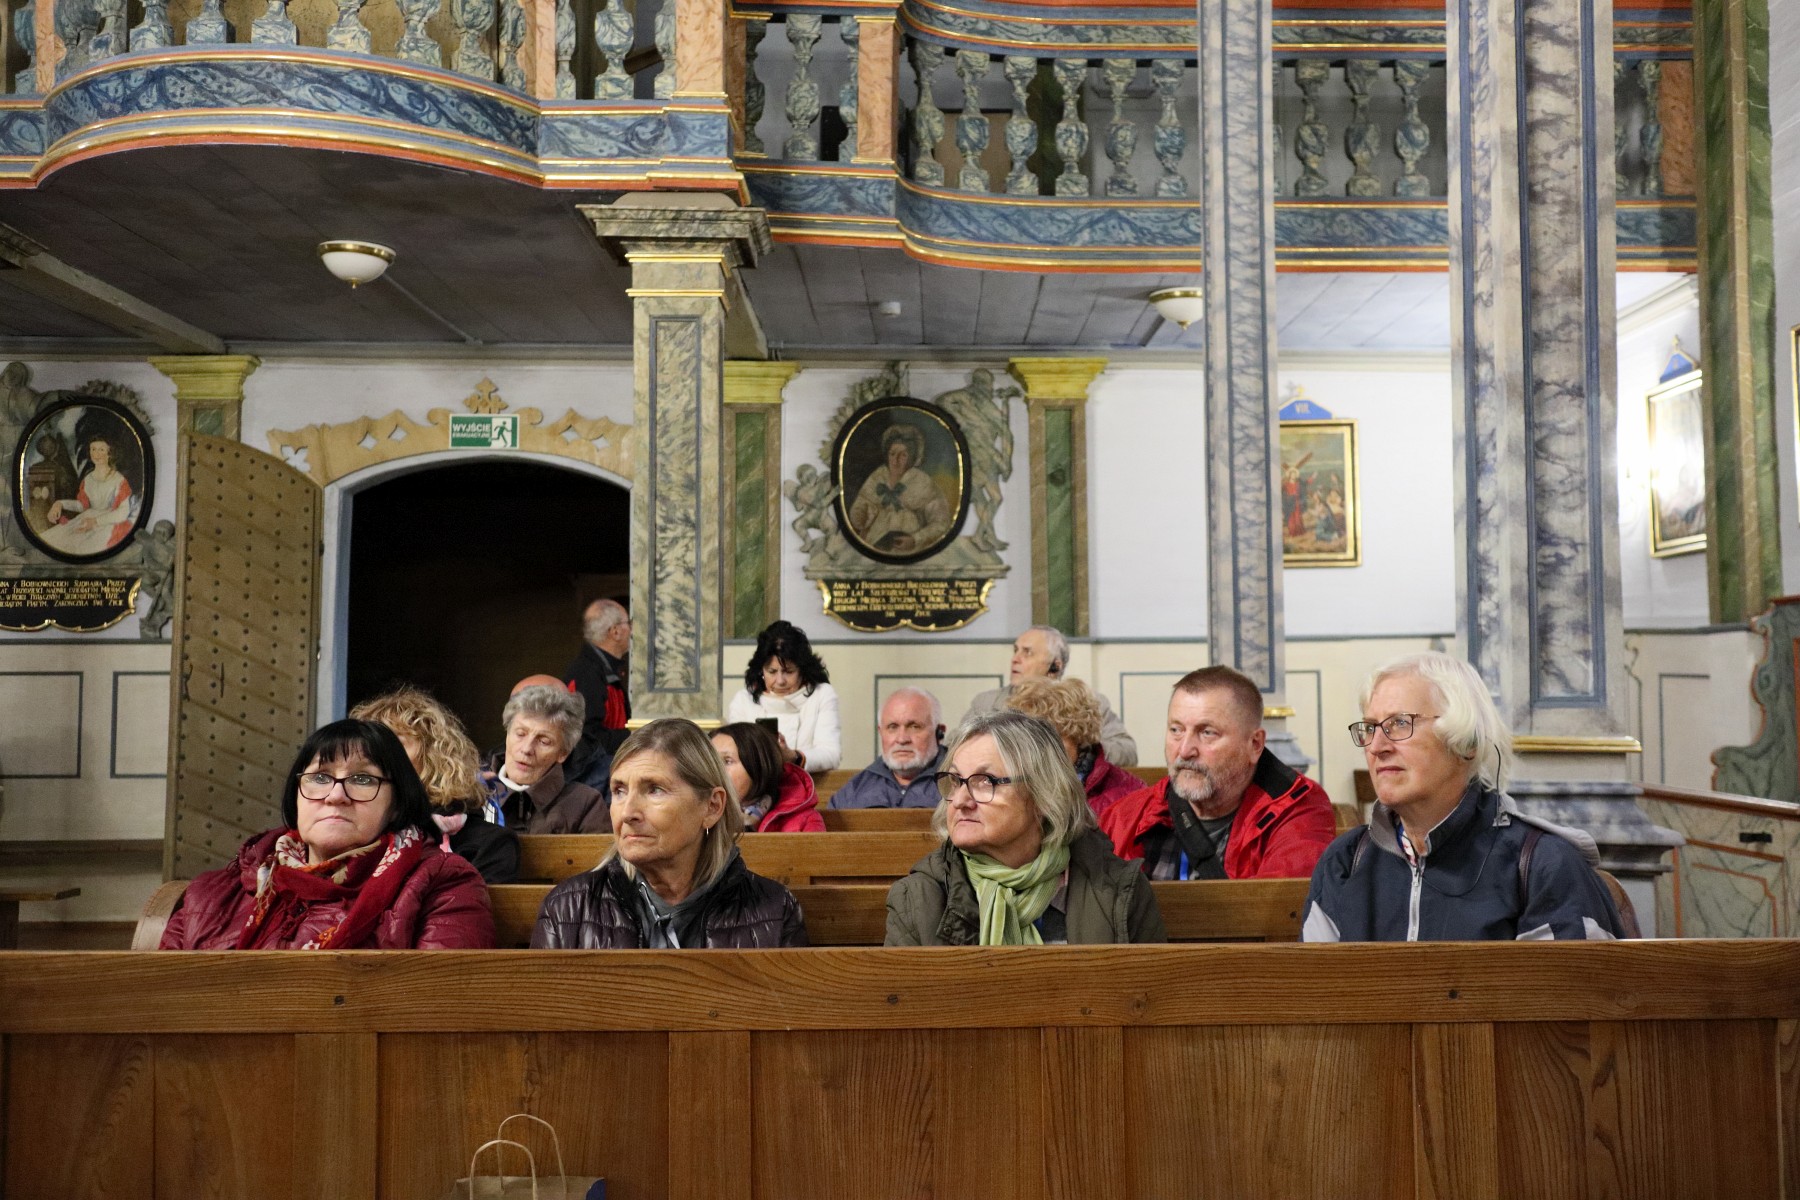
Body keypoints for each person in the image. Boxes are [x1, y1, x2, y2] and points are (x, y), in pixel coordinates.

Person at [1302, 652, 1626, 942]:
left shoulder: (1542, 866)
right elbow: (1316, 987)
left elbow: (1568, 990)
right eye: (1371, 727)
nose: (1376, 746)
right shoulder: (1345, 862)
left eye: (1399, 723)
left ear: (1466, 743)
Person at [159, 719, 495, 950]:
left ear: (397, 804)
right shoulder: (213, 893)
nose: (335, 795)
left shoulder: (440, 884)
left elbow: (435, 1009)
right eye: (319, 777)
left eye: (363, 779)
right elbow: (162, 1008)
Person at [885, 711, 1165, 946]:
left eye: (986, 781)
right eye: (956, 781)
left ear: (1043, 795)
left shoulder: (1119, 891)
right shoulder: (918, 898)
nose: (960, 801)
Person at [531, 718, 809, 948]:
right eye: (619, 791)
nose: (628, 813)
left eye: (655, 790)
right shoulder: (567, 909)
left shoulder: (775, 911)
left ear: (712, 807)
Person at [1100, 666, 1335, 880]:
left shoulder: (1296, 810)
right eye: (1176, 730)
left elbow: (1278, 907)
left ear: (1254, 744)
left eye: (1207, 733)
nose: (1185, 750)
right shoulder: (1126, 817)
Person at [351, 686, 519, 884]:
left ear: (434, 755)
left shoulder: (488, 843)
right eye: (370, 748)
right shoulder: (350, 832)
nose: (377, 758)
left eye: (393, 744)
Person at [958, 625, 1137, 766]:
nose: (1015, 659)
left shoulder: (1089, 703)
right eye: (1016, 650)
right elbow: (956, 746)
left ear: (1055, 666)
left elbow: (1127, 753)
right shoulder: (986, 703)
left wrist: (1080, 749)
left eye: (1027, 652)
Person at [1003, 677, 1142, 818]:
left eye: (1054, 738)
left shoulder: (1128, 792)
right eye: (1033, 739)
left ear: (1078, 736)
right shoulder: (1007, 784)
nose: (1042, 749)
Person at [490, 679, 611, 833]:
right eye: (520, 734)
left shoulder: (585, 805)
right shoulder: (474, 793)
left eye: (544, 741)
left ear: (563, 753)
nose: (526, 749)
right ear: (507, 734)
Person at [725, 620, 841, 772]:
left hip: (807, 784)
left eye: (789, 671)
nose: (780, 681)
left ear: (802, 670)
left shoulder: (821, 695)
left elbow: (831, 755)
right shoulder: (743, 701)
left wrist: (793, 756)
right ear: (761, 671)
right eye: (772, 672)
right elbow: (734, 755)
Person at [846, 423, 953, 556]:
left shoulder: (923, 482)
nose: (895, 460)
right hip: (874, 546)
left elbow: (941, 523)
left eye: (903, 455)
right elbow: (859, 511)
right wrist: (861, 515)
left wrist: (915, 539)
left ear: (912, 458)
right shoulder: (877, 477)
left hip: (912, 551)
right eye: (892, 454)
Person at [831, 687, 946, 810]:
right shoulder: (852, 793)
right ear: (880, 732)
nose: (902, 739)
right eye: (892, 727)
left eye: (914, 727)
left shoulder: (957, 784)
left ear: (939, 732)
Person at [41, 424, 138, 556]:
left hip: (108, 523)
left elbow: (123, 512)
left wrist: (95, 522)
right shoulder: (88, 479)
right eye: (93, 449)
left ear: (110, 453)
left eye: (101, 450)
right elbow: (82, 506)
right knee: (54, 541)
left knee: (86, 549)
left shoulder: (119, 480)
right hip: (86, 519)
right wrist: (60, 504)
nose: (96, 454)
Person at [564, 598, 631, 786]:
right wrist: (635, 736)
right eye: (629, 623)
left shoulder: (602, 668)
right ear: (615, 631)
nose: (632, 630)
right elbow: (586, 736)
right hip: (593, 781)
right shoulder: (587, 673)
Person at [712, 722, 826, 832]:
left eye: (727, 761)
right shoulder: (705, 816)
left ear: (759, 766)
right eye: (711, 762)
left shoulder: (806, 822)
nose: (715, 770)